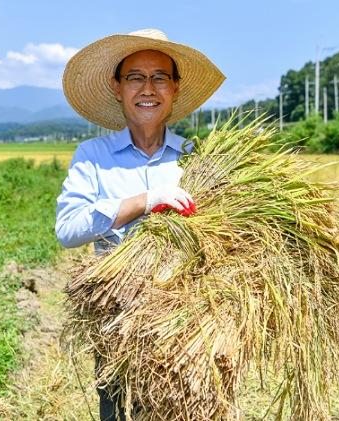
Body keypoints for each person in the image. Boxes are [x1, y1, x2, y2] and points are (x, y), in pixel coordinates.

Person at [56, 28, 225, 420]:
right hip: (117, 323)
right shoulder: (92, 156)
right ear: (117, 88)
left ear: (175, 88)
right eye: (135, 77)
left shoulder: (197, 159)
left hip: (190, 323)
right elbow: (67, 229)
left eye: (159, 77)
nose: (147, 88)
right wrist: (143, 203)